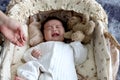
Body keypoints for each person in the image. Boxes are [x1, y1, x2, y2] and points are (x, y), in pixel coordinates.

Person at [15, 17, 88, 80]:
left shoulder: (70, 46)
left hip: (67, 76)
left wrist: (76, 43)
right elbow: (26, 56)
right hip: (47, 75)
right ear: (44, 34)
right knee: (32, 65)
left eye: (58, 27)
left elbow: (81, 58)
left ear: (65, 31)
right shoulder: (42, 45)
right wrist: (32, 55)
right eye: (49, 28)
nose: (54, 29)